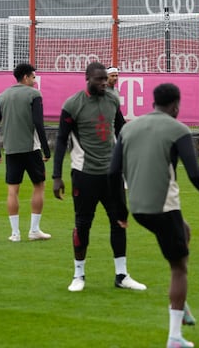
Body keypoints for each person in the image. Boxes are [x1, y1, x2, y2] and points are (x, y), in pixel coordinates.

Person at [109, 83, 199, 348]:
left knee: (185, 231)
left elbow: (113, 172)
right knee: (179, 267)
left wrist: (120, 211)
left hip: (138, 207)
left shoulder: (129, 127)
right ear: (176, 105)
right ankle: (174, 337)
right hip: (163, 206)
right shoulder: (178, 129)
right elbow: (193, 172)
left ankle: (180, 303)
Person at [52, 62, 146, 292]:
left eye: (106, 79)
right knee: (83, 224)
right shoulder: (73, 104)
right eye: (99, 79)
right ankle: (79, 275)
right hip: (84, 174)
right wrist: (56, 175)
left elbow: (121, 129)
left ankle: (122, 275)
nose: (104, 83)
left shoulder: (113, 100)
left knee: (120, 221)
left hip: (112, 173)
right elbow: (62, 140)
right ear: (87, 78)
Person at [0, 63, 52, 242]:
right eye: (33, 77)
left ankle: (15, 233)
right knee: (39, 186)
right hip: (31, 149)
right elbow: (38, 123)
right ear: (25, 77)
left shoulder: (2, 96)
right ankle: (34, 230)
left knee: (12, 190)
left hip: (11, 150)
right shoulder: (34, 94)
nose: (34, 80)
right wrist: (46, 148)